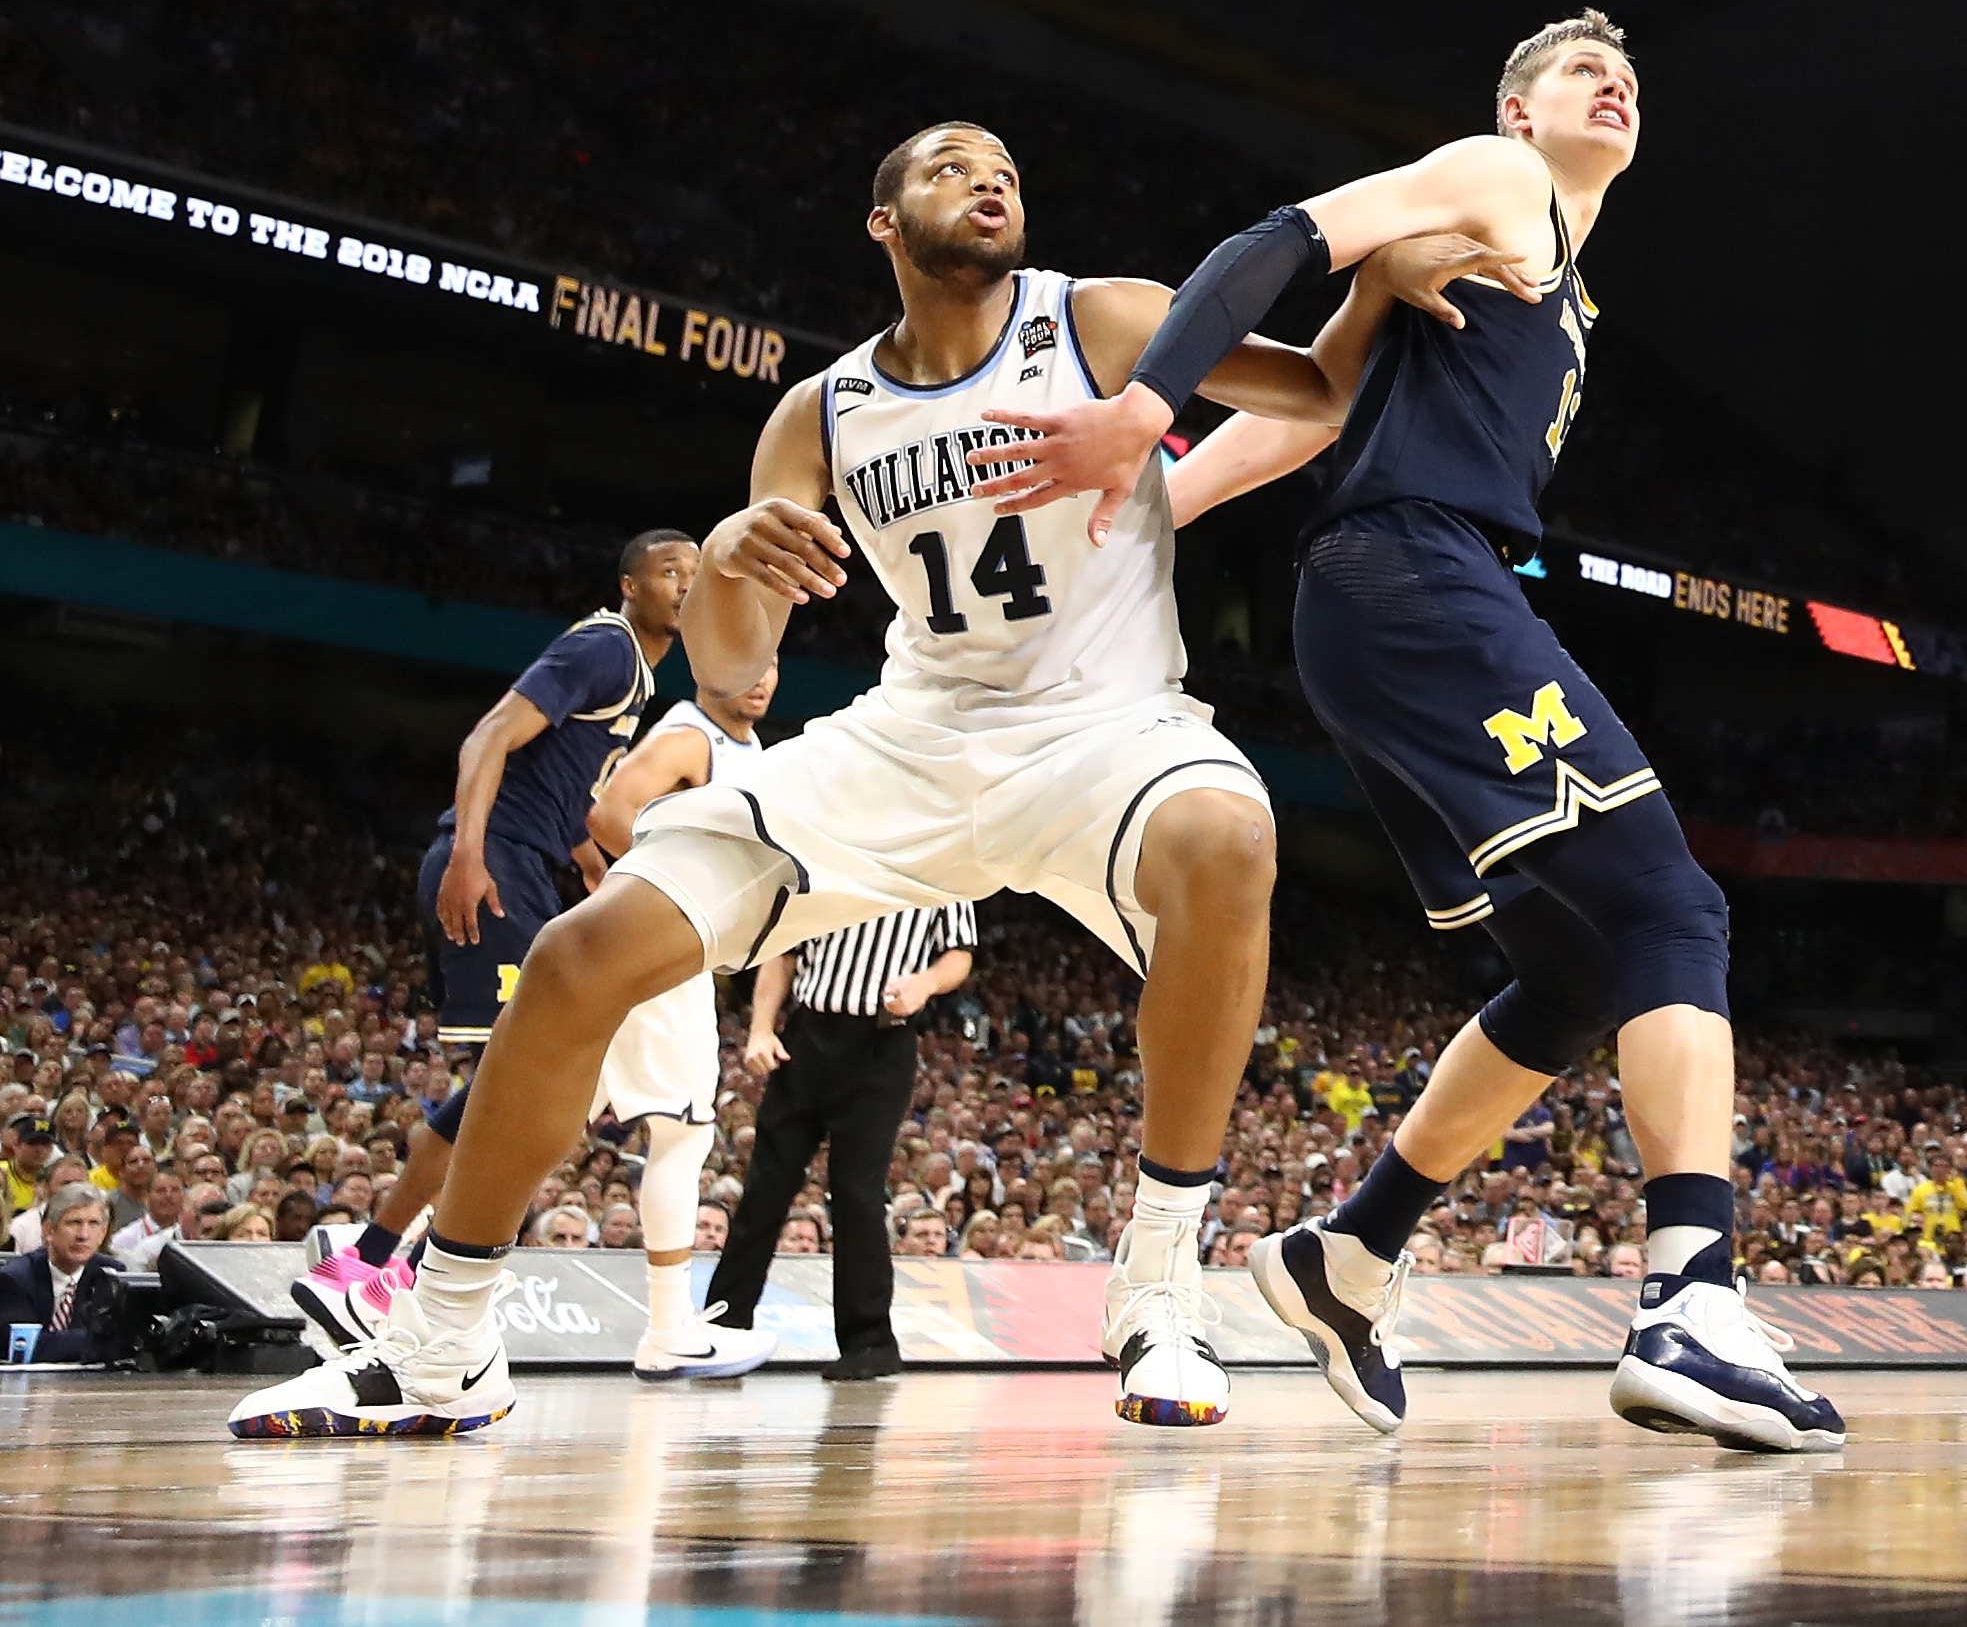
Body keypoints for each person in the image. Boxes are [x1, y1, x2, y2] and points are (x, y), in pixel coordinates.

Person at [227, 120, 1381, 1444]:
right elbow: (732, 672)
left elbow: (1317, 397)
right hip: (912, 731)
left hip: (1104, 724)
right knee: (579, 955)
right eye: (949, 165)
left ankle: (1159, 1284)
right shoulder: (818, 414)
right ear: (885, 222)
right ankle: (440, 1344)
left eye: (1003, 164)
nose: (988, 176)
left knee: (1231, 838)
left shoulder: (1104, 316)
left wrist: (1380, 284)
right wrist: (729, 558)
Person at [992, 14, 1844, 1454]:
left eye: (1627, 72)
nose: (1611, 80)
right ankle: (1691, 1297)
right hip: (1417, 581)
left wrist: (1144, 520)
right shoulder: (1499, 189)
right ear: (1516, 112)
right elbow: (1283, 235)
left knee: (1573, 973)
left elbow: (1314, 416)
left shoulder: (1541, 279)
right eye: (1579, 70)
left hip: (1378, 600)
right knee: (1669, 908)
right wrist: (1141, 413)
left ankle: (1352, 1256)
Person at [293, 532, 695, 1346]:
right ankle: (387, 1274)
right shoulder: (605, 647)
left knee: (509, 1091)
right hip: (496, 864)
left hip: (528, 867)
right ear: (629, 585)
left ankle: (374, 1265)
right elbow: (487, 737)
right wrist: (471, 856)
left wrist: (592, 864)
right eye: (669, 571)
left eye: (695, 571)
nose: (686, 583)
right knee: (512, 1091)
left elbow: (568, 795)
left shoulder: (638, 677)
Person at [575, 649, 781, 1379]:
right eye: (745, 660)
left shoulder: (745, 748)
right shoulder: (691, 736)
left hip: (647, 944)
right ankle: (669, 1329)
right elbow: (607, 812)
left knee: (536, 1113)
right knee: (683, 1132)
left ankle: (387, 1260)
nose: (759, 677)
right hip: (658, 941)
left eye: (771, 664)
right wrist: (686, 894)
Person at [710, 902, 974, 1381]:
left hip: (882, 1043)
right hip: (808, 1033)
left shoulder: (943, 867)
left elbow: (960, 953)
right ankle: (724, 1322)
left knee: (858, 1193)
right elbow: (783, 951)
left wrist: (925, 983)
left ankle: (869, 1341)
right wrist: (762, 1028)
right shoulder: (825, 853)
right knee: (766, 1185)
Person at [3, 1184, 140, 1365]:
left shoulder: (111, 1275)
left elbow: (125, 1343)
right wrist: (100, 1340)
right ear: (48, 1231)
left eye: (93, 1224)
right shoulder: (15, 1279)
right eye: (74, 1223)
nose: (83, 1235)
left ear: (103, 1233)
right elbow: (29, 1347)